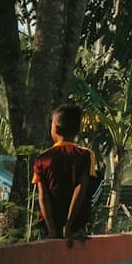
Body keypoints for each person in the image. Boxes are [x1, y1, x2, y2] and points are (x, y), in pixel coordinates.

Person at [32, 102, 97, 244]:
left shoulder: (42, 159)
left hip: (49, 228)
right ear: (78, 129)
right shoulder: (85, 155)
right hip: (76, 228)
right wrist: (68, 225)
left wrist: (52, 231)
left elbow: (43, 197)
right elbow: (81, 190)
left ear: (55, 128)